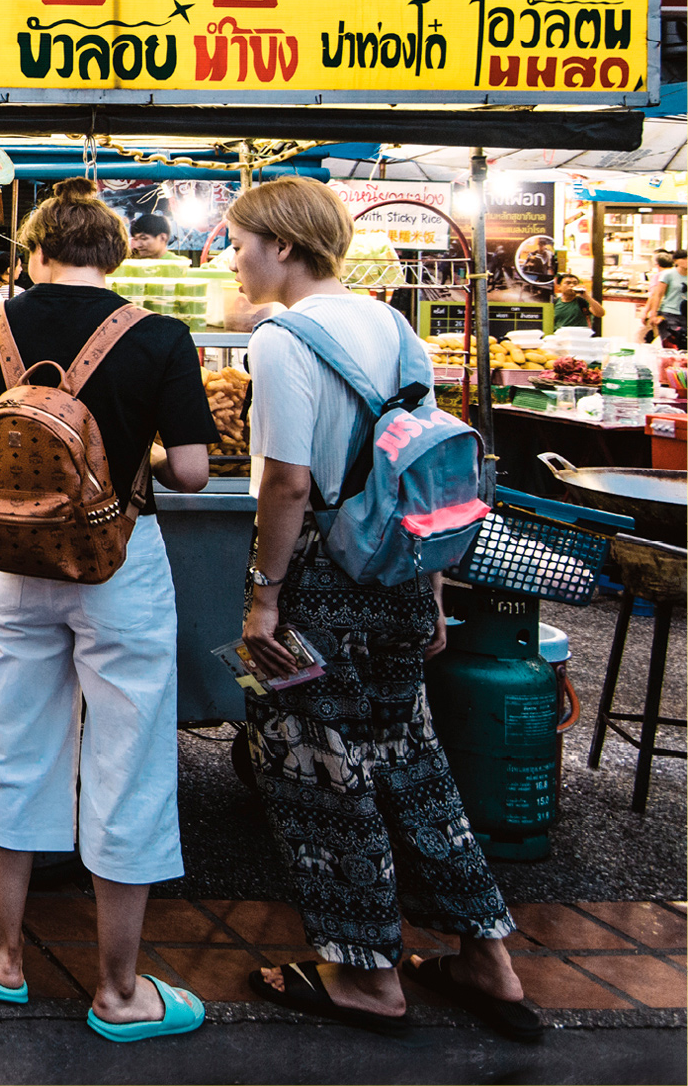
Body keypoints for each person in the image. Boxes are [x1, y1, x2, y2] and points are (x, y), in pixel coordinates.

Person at [225, 176, 537, 1042]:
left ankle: (366, 977)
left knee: (323, 775)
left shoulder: (284, 341)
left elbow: (287, 484)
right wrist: (432, 590)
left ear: (281, 245)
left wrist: (263, 601)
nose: (235, 259)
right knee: (414, 767)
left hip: (323, 584)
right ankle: (489, 959)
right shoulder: (394, 327)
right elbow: (422, 477)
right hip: (402, 573)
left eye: (240, 241)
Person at [0, 178, 216, 1042]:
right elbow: (195, 472)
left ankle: (8, 956)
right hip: (120, 566)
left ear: (33, 252)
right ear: (116, 254)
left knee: (17, 749)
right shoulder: (160, 336)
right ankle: (120, 992)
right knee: (126, 761)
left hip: (15, 567)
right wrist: (139, 458)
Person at [644, 251, 683, 348]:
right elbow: (656, 295)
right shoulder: (667, 275)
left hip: (679, 314)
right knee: (671, 344)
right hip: (668, 313)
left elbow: (654, 295)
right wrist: (652, 313)